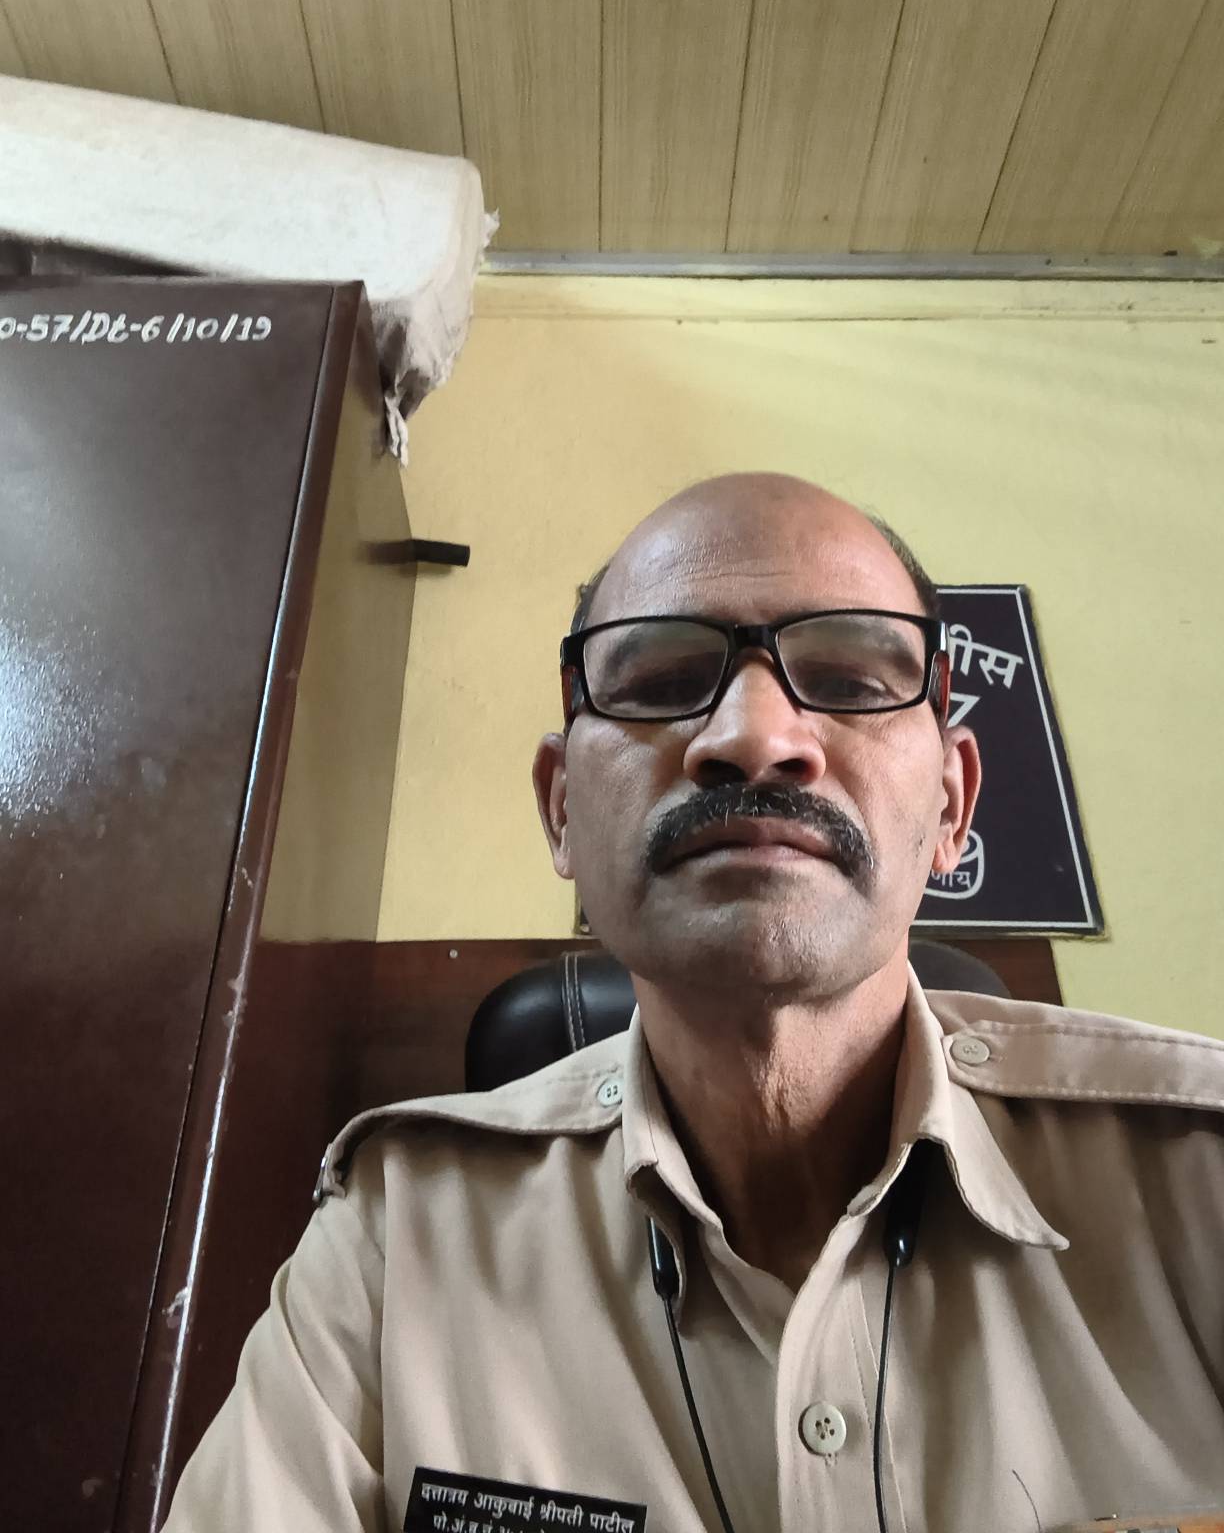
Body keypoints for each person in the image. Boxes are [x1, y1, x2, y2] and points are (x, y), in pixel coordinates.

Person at [163, 473, 1224, 1533]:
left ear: (952, 804)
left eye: (849, 680)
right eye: (663, 681)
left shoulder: (1199, 1181)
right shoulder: (398, 1238)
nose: (755, 738)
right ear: (562, 810)